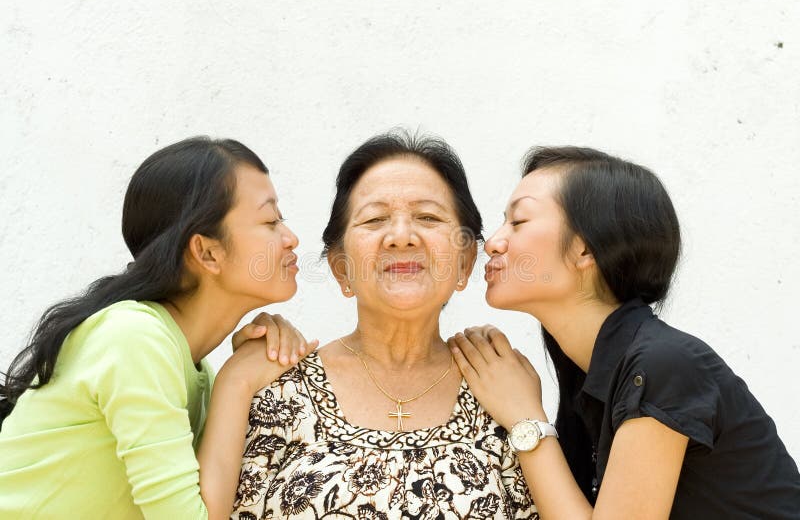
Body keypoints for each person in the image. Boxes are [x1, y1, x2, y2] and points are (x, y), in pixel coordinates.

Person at [448, 146, 800, 518]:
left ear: (585, 248)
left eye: (518, 222)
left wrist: (525, 421)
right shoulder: (589, 369)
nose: (493, 243)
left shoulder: (663, 364)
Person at [0, 136, 317, 519]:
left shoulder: (194, 373)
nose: (291, 238)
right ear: (207, 252)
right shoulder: (134, 339)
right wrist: (238, 382)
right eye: (270, 221)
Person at [231, 131, 537, 519]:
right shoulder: (274, 386)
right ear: (340, 268)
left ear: (465, 264)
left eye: (427, 217)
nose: (401, 237)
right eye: (375, 219)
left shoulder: (504, 388)